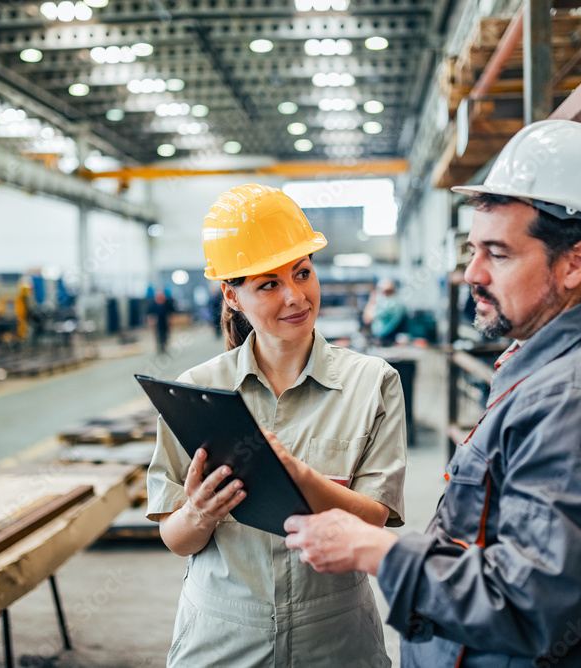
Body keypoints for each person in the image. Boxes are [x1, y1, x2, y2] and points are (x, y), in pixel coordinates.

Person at [283, 120, 581, 667]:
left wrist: (377, 549)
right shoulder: (539, 366)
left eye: (499, 254)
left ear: (574, 263)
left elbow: (534, 603)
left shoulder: (580, 401)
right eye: (472, 251)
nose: (472, 274)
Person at [146, 183, 408, 667]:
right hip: (222, 638)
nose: (296, 296)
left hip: (336, 639)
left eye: (302, 273)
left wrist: (296, 475)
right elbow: (175, 538)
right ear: (232, 296)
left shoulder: (372, 382)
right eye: (268, 284)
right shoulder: (197, 391)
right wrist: (200, 511)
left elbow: (373, 519)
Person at [362, 279, 408, 346]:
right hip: (388, 338)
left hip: (386, 340)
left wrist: (372, 300)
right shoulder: (396, 302)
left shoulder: (390, 304)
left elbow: (367, 319)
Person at [148, 289, 172, 354]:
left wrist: (170, 319)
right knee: (158, 334)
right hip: (157, 322)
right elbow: (150, 313)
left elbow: (171, 311)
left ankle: (164, 345)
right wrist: (151, 320)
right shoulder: (153, 303)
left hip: (165, 321)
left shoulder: (166, 302)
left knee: (165, 334)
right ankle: (159, 346)